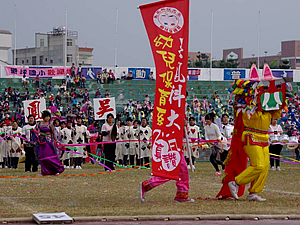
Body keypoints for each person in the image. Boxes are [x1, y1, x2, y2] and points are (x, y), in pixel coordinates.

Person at [139, 118, 194, 203]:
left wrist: (184, 126)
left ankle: (182, 195)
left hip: (177, 147)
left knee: (183, 171)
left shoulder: (180, 111)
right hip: (170, 145)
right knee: (170, 172)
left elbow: (183, 133)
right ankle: (147, 184)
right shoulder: (170, 112)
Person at [32, 110, 64, 175]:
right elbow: (35, 131)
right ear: (43, 117)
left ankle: (56, 170)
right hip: (41, 142)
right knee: (42, 157)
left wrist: (56, 141)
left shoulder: (50, 124)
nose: (48, 118)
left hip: (49, 143)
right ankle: (44, 171)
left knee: (50, 157)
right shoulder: (39, 124)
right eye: (46, 116)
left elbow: (54, 133)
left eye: (49, 117)